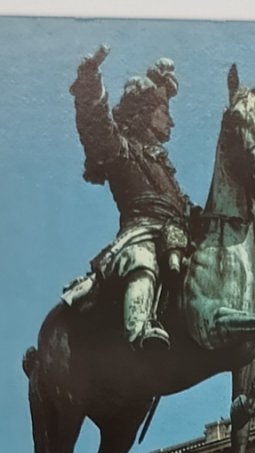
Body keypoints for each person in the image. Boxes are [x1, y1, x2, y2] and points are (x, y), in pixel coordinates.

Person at [70, 45, 192, 351]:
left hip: (175, 237)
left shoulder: (163, 167)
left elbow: (185, 209)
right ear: (144, 111)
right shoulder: (121, 150)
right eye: (165, 111)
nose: (171, 121)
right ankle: (138, 330)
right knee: (143, 257)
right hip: (138, 235)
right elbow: (96, 124)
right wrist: (89, 80)